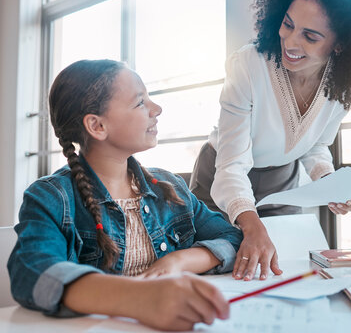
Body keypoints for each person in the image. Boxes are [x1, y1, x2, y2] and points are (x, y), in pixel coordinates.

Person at [190, 0, 351, 282]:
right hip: (221, 175)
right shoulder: (248, 65)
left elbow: (315, 145)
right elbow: (232, 164)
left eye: (310, 36)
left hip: (282, 181)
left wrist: (328, 181)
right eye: (288, 24)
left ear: (340, 44)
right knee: (216, 264)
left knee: (278, 269)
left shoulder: (341, 85)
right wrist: (250, 223)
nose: (290, 42)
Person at [7, 59, 243, 331]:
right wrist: (140, 297)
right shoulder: (51, 197)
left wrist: (177, 260)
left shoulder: (169, 187)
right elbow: (32, 273)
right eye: (140, 102)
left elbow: (232, 238)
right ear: (97, 126)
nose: (157, 109)